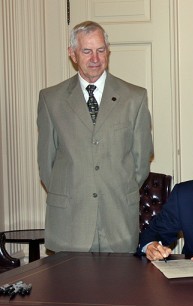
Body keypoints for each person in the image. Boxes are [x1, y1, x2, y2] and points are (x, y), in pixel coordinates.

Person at [37, 21, 153, 253]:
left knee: (119, 289)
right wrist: (76, 190)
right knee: (71, 290)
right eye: (87, 51)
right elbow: (46, 165)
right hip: (70, 223)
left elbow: (141, 162)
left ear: (108, 51)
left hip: (118, 220)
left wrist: (115, 188)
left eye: (101, 50)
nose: (95, 59)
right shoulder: (51, 99)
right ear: (72, 54)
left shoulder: (134, 97)